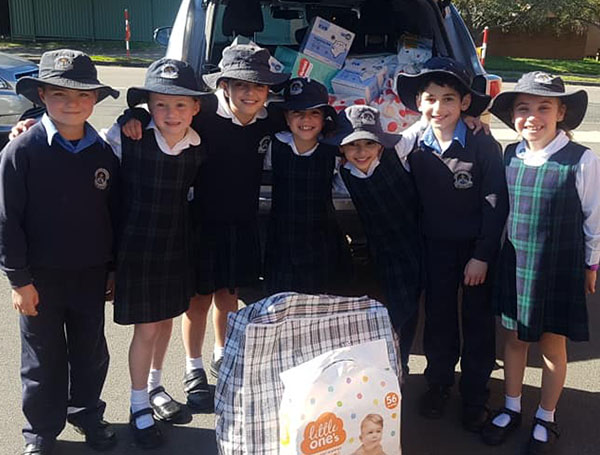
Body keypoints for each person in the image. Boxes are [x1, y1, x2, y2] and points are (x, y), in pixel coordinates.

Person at [119, 40, 290, 408]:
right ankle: (192, 366)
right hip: (198, 223)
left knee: (229, 297)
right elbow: (158, 109)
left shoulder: (271, 118)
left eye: (258, 86)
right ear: (223, 85)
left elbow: (311, 116)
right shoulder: (204, 111)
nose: (250, 93)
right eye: (240, 84)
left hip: (242, 222)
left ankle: (221, 354)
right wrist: (126, 118)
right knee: (196, 302)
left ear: (267, 91)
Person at [0, 49, 120, 455]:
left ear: (95, 100)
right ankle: (40, 432)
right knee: (42, 359)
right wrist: (20, 280)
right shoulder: (22, 151)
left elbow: (114, 214)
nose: (72, 103)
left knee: (90, 352)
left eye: (83, 95)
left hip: (89, 274)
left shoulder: (104, 154)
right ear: (41, 96)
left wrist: (113, 268)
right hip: (40, 278)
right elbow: (6, 221)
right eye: (59, 94)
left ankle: (87, 414)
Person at [481, 72, 599, 454]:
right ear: (513, 116)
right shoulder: (509, 153)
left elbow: (594, 217)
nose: (532, 116)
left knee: (551, 346)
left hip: (558, 267)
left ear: (561, 112)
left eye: (543, 107)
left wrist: (591, 264)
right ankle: (512, 406)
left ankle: (546, 415)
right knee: (514, 340)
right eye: (523, 109)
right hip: (517, 265)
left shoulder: (581, 160)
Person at [396, 57, 508, 432]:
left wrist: (482, 255)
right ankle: (439, 384)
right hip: (435, 246)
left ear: (464, 104)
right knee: (440, 319)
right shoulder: (413, 144)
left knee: (478, 322)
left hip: (475, 249)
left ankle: (476, 394)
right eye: (429, 98)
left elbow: (495, 202)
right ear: (418, 102)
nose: (438, 108)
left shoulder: (482, 143)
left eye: (448, 99)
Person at [103, 58, 207, 448]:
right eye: (160, 104)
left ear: (196, 108)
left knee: (165, 321)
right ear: (146, 105)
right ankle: (137, 404)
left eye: (181, 104)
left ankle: (155, 387)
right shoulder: (126, 136)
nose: (171, 113)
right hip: (137, 246)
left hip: (174, 245)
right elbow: (87, 148)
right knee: (146, 328)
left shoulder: (198, 147)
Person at [332, 105, 423, 375]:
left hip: (412, 243)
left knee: (407, 307)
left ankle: (399, 360)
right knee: (388, 304)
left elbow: (425, 125)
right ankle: (390, 363)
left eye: (369, 143)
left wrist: (470, 119)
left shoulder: (399, 152)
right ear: (342, 150)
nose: (361, 152)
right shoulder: (342, 175)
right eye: (352, 146)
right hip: (381, 249)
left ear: (381, 145)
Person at [264, 78, 351, 294]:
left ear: (324, 118)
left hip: (321, 237)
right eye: (297, 113)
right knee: (282, 298)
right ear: (286, 117)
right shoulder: (276, 147)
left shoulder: (332, 152)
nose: (306, 119)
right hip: (283, 236)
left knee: (319, 297)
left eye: (314, 113)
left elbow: (340, 188)